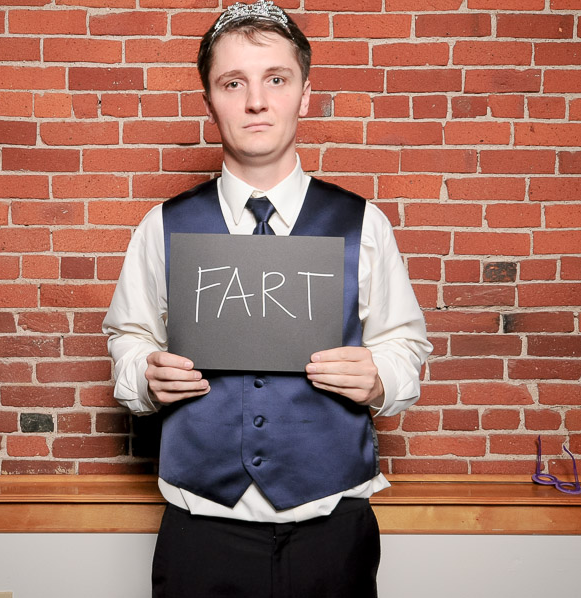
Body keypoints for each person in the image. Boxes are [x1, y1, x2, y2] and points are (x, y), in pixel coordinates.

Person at [102, 1, 432, 596]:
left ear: (304, 94)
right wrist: (144, 376)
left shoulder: (363, 223)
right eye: (234, 83)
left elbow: (404, 345)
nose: (256, 101)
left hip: (332, 526)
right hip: (201, 529)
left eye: (275, 79)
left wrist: (380, 377)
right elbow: (129, 339)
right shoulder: (163, 226)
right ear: (209, 100)